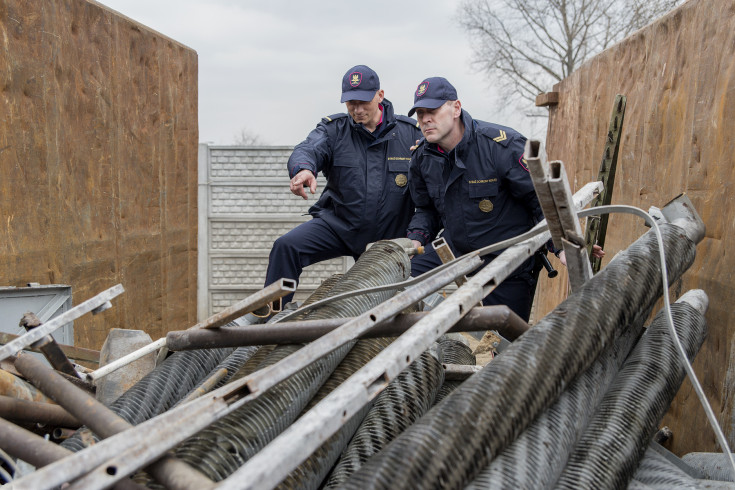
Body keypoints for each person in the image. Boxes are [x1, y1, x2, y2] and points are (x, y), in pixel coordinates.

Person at [405, 77, 603, 321]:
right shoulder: (422, 158)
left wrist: (562, 246)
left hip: (508, 259)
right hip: (457, 250)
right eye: (420, 113)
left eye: (432, 111)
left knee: (504, 341)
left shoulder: (502, 147)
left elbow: (541, 202)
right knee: (402, 280)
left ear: (456, 108)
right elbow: (426, 210)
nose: (425, 119)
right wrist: (415, 241)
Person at [264, 65, 422, 304]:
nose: (357, 110)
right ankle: (268, 324)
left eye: (363, 102)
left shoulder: (410, 134)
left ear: (380, 96)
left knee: (386, 302)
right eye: (351, 104)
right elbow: (307, 149)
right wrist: (304, 168)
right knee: (286, 247)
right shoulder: (333, 130)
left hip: (390, 236)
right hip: (339, 227)